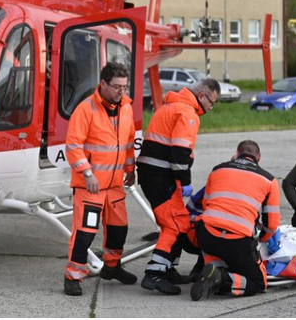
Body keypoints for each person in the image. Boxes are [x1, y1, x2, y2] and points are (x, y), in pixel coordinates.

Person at [137, 79, 220, 295]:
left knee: (179, 222)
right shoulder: (187, 113)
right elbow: (180, 152)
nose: (211, 108)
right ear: (202, 96)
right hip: (161, 176)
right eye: (212, 103)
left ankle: (169, 268)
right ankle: (154, 274)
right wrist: (185, 182)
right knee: (174, 225)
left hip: (154, 174)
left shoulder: (170, 106)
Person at [63, 62, 138, 296]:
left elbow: (127, 143)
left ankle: (112, 268)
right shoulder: (85, 109)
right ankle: (73, 276)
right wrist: (87, 173)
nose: (121, 92)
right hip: (91, 186)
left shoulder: (126, 108)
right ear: (103, 84)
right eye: (116, 87)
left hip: (115, 185)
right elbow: (73, 146)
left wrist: (130, 169)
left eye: (124, 87)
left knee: (119, 230)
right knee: (85, 232)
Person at [191, 140, 281, 301]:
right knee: (258, 283)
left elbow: (206, 204)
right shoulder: (269, 180)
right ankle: (222, 278)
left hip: (206, 235)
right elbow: (272, 223)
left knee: (217, 247)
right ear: (258, 157)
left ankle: (212, 268)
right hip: (237, 241)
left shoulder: (217, 170)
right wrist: (262, 240)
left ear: (237, 153)